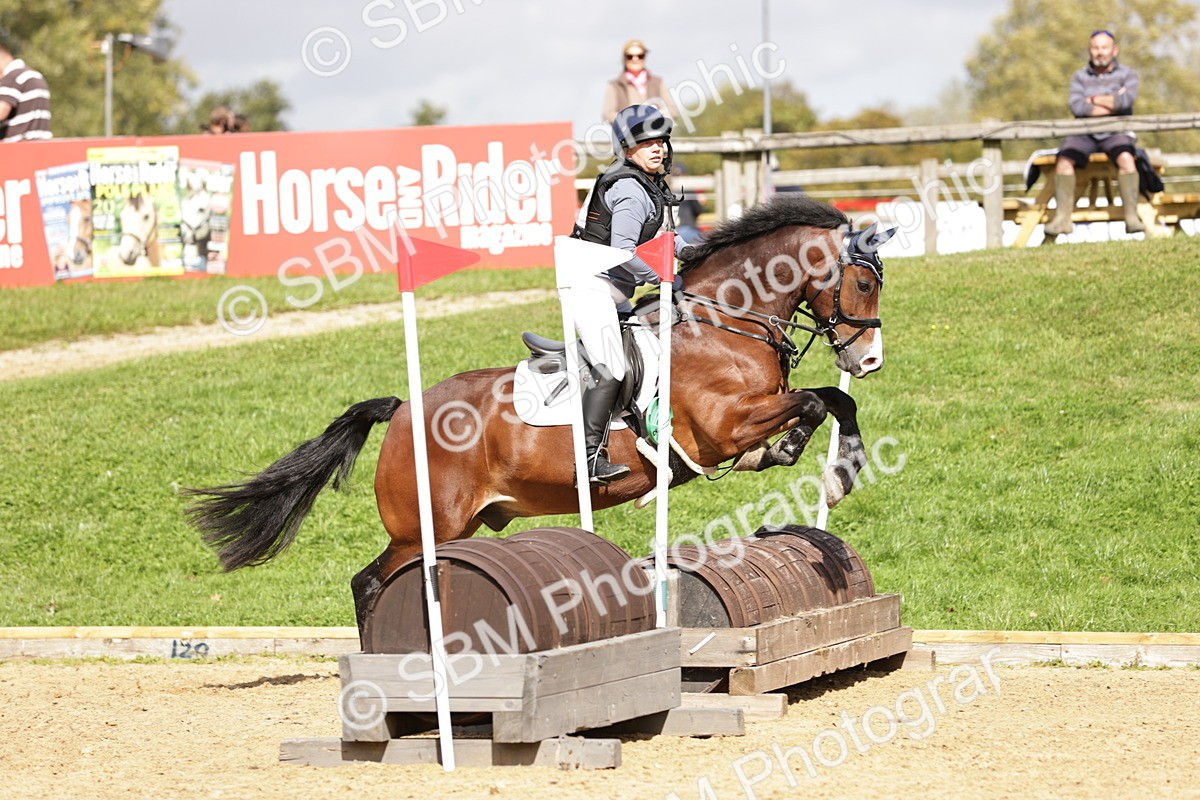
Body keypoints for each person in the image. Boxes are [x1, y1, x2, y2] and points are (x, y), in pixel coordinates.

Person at [570, 104, 690, 484]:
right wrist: (662, 278)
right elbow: (623, 253)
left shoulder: (649, 184)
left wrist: (702, 253)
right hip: (592, 288)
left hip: (614, 291)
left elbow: (666, 241)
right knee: (614, 368)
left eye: (660, 142)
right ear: (628, 147)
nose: (656, 149)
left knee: (654, 356)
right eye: (646, 143)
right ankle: (587, 459)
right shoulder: (629, 190)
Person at [1044, 29, 1143, 236]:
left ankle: (1132, 216)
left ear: (1114, 50)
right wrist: (1111, 100)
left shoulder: (1128, 74)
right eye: (1095, 48)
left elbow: (1126, 102)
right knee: (1063, 161)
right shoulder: (1079, 77)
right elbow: (1077, 107)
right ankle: (1062, 218)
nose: (1100, 52)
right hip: (1083, 132)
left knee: (1127, 158)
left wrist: (1094, 100)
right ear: (1090, 51)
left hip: (1116, 132)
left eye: (1104, 47)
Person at [602, 39, 676, 124]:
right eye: (630, 56)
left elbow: (673, 110)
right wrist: (630, 117)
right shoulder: (614, 85)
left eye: (640, 56)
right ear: (624, 58)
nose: (635, 59)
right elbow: (607, 114)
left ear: (645, 57)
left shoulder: (658, 82)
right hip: (627, 134)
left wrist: (653, 115)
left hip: (655, 132)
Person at [0, 29, 52, 142]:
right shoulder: (35, 76)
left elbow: (1, 111)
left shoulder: (12, 77)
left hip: (18, 149)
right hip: (41, 146)